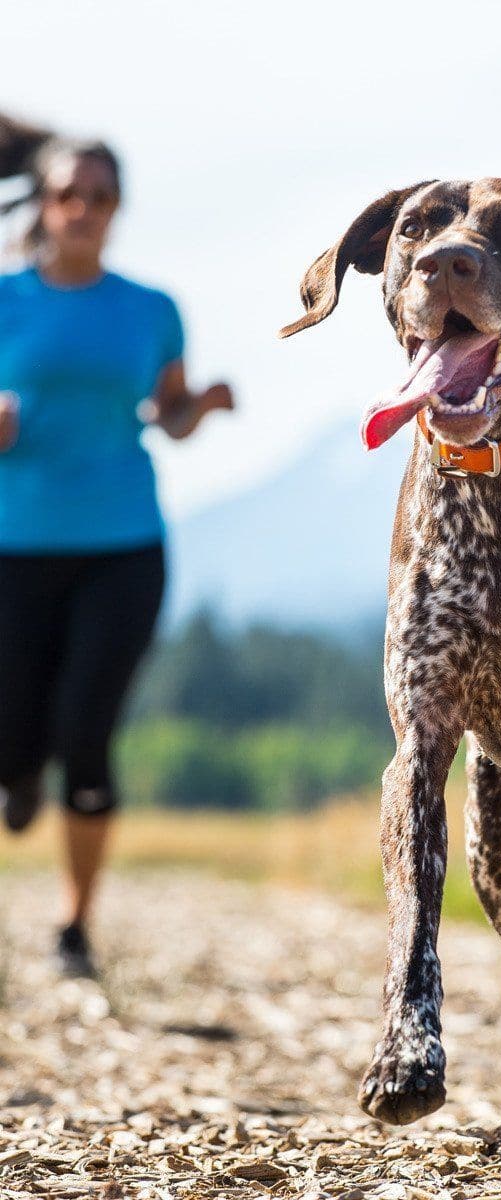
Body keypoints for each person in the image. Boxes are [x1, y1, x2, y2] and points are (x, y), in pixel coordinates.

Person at [0, 114, 234, 977]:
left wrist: (199, 407)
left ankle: (73, 928)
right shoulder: (4, 299)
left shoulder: (150, 309)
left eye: (100, 197)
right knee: (15, 739)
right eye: (69, 195)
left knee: (87, 735)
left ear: (117, 208)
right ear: (45, 202)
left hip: (122, 546)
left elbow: (165, 414)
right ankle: (17, 771)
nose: (84, 210)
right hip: (11, 547)